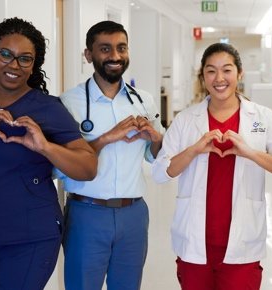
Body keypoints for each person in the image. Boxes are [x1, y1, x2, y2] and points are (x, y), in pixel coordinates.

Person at [151, 42, 272, 290]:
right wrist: (194, 150)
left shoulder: (261, 118)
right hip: (194, 243)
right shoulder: (186, 120)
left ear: (239, 73)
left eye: (227, 70)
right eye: (211, 71)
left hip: (242, 244)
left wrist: (252, 153)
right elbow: (159, 173)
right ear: (203, 77)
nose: (219, 78)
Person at [0, 17, 97, 290]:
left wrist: (46, 146)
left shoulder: (48, 109)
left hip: (29, 238)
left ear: (34, 65)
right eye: (6, 55)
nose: (13, 65)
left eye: (25, 59)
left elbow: (88, 167)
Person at [58, 20, 164, 290]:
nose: (115, 56)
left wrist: (156, 138)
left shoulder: (144, 101)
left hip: (134, 214)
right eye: (105, 49)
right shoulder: (69, 103)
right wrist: (105, 138)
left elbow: (156, 157)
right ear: (88, 54)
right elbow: (60, 167)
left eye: (121, 48)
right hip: (86, 214)